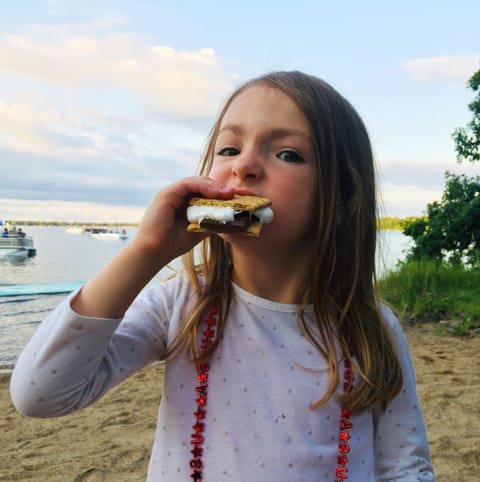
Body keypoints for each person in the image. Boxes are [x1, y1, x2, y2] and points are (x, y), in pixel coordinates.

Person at [10, 71, 436, 481]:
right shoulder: (180, 305)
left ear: (341, 199)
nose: (244, 166)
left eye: (287, 154)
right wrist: (145, 253)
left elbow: (405, 466)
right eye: (229, 149)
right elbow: (40, 394)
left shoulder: (370, 328)